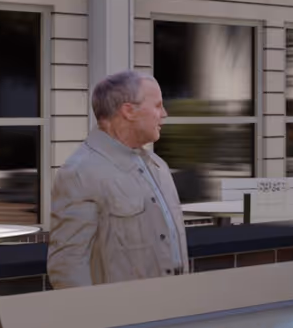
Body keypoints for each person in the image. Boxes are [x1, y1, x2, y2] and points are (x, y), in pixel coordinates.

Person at [49, 70, 190, 290]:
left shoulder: (159, 166)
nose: (164, 113)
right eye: (157, 105)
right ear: (129, 111)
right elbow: (68, 267)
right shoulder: (81, 173)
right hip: (121, 310)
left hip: (174, 304)